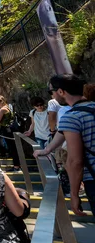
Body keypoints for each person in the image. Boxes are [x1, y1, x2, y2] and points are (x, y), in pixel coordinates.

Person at [48, 74, 95, 216]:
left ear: (61, 91)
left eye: (52, 91)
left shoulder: (71, 117)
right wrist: (47, 149)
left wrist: (74, 195)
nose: (52, 95)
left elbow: (75, 161)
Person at [0, 96, 21, 171]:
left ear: (1, 101)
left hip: (6, 129)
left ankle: (16, 166)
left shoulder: (2, 109)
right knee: (13, 147)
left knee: (12, 148)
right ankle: (17, 165)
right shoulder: (8, 107)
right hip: (11, 129)